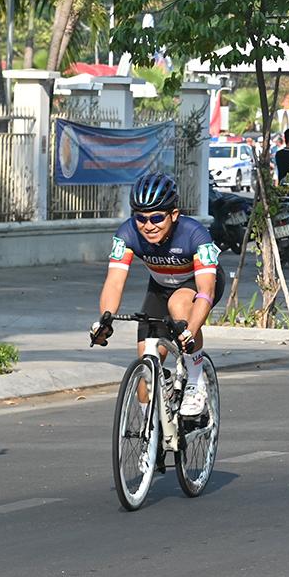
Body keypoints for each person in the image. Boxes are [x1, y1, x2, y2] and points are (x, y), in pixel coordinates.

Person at [90, 173, 224, 418]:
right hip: (159, 288)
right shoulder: (127, 234)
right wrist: (105, 320)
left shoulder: (195, 234)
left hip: (195, 284)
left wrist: (190, 330)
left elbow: (207, 290)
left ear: (173, 215)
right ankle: (150, 440)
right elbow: (114, 282)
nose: (148, 225)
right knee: (148, 366)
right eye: (140, 218)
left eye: (157, 217)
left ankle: (195, 380)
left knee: (179, 303)